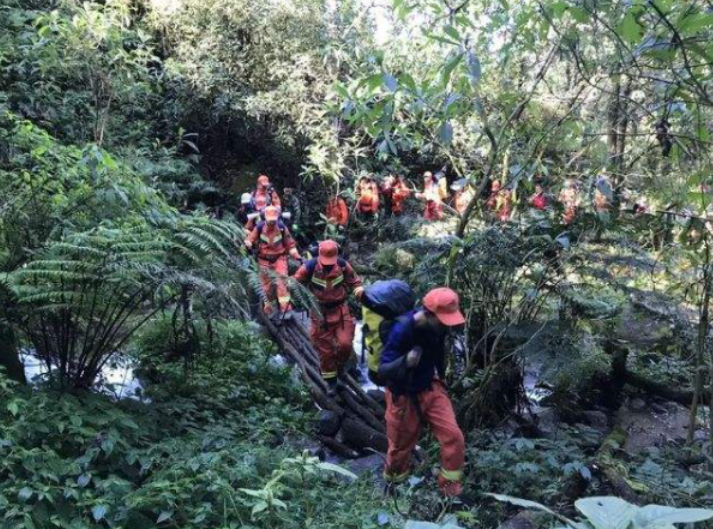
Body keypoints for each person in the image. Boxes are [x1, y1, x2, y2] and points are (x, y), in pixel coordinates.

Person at [378, 287, 466, 497]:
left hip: (430, 386)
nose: (447, 325)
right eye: (443, 320)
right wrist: (405, 361)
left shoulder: (440, 328)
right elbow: (383, 370)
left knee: (454, 436)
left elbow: (438, 352)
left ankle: (449, 491)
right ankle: (394, 489)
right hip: (404, 394)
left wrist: (443, 379)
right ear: (429, 314)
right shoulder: (402, 329)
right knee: (400, 449)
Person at [293, 240, 364, 393]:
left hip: (340, 309)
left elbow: (355, 281)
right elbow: (295, 282)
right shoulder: (310, 267)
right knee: (325, 350)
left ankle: (340, 368)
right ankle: (330, 381)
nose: (328, 265)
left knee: (345, 344)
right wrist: (292, 291)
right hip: (320, 312)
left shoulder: (343, 265)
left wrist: (359, 291)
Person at [244, 206, 301, 314]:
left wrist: (297, 256)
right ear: (265, 218)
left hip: (279, 259)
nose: (271, 222)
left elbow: (290, 245)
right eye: (270, 220)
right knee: (266, 288)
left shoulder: (281, 227)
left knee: (282, 284)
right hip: (264, 261)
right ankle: (269, 310)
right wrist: (248, 243)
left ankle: (286, 311)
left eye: (273, 220)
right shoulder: (260, 227)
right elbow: (251, 239)